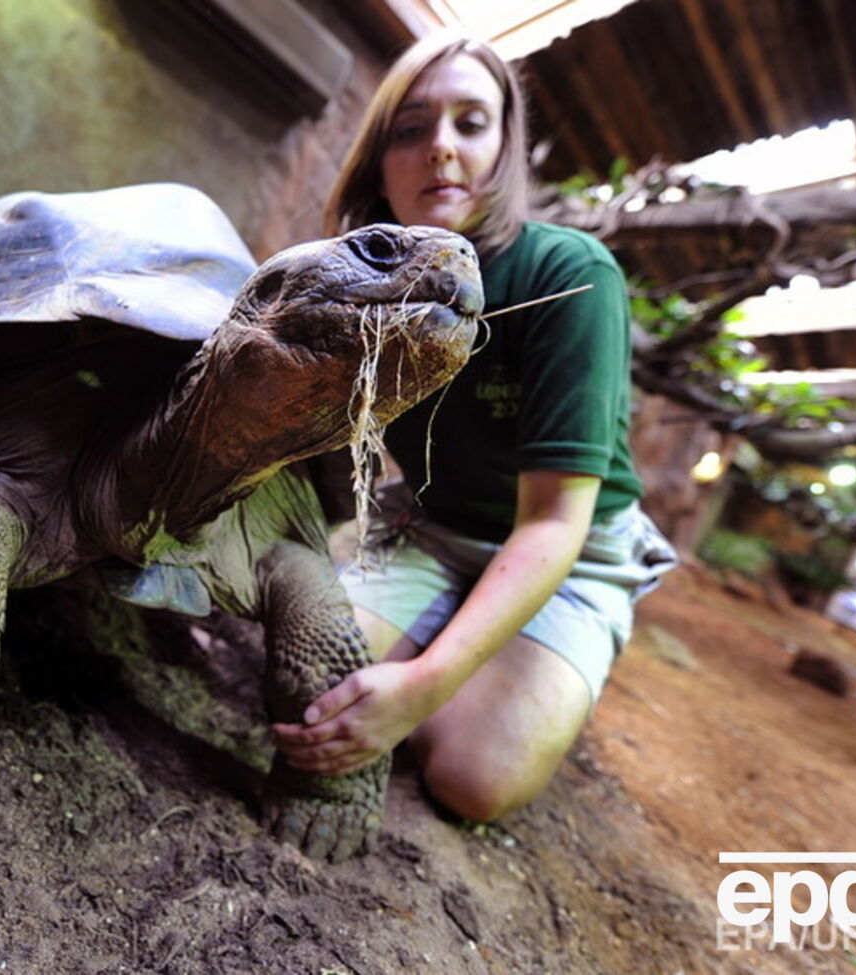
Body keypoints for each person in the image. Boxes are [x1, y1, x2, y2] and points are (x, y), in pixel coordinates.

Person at [272, 32, 675, 822]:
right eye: (412, 128)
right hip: (432, 523)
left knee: (471, 775)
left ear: (505, 148)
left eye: (470, 123)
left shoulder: (569, 276)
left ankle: (510, 643)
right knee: (313, 685)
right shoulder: (363, 282)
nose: (440, 151)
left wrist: (424, 682)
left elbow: (556, 519)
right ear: (378, 158)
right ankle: (451, 627)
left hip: (571, 547)